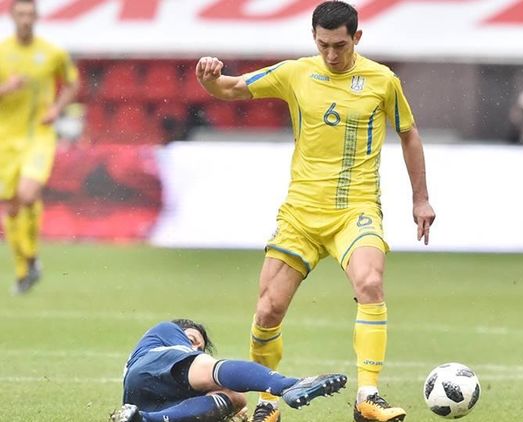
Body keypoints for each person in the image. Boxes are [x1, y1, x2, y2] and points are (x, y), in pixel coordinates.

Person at [195, 2, 435, 421]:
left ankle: (367, 396)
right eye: (323, 45)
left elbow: (408, 133)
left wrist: (420, 199)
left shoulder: (382, 80)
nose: (331, 54)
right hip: (301, 215)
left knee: (370, 283)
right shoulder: (295, 73)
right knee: (268, 310)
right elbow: (230, 89)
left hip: (355, 210)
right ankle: (268, 404)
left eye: (340, 45)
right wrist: (209, 79)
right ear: (313, 38)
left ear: (356, 38)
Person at [109, 319, 347, 422]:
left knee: (235, 398)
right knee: (213, 372)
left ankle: (145, 419)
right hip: (149, 368)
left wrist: (228, 413)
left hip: (142, 403)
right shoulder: (166, 331)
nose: (195, 348)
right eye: (192, 340)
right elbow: (205, 368)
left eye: (199, 347)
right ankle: (287, 384)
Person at [0, 0, 79, 294]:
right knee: (11, 206)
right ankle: (26, 267)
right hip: (5, 139)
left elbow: (72, 84)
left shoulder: (53, 53)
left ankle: (31, 260)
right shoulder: (2, 52)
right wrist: (6, 89)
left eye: (29, 14)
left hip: (39, 135)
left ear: (36, 17)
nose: (25, 19)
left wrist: (57, 108)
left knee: (27, 193)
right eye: (20, 14)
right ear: (12, 16)